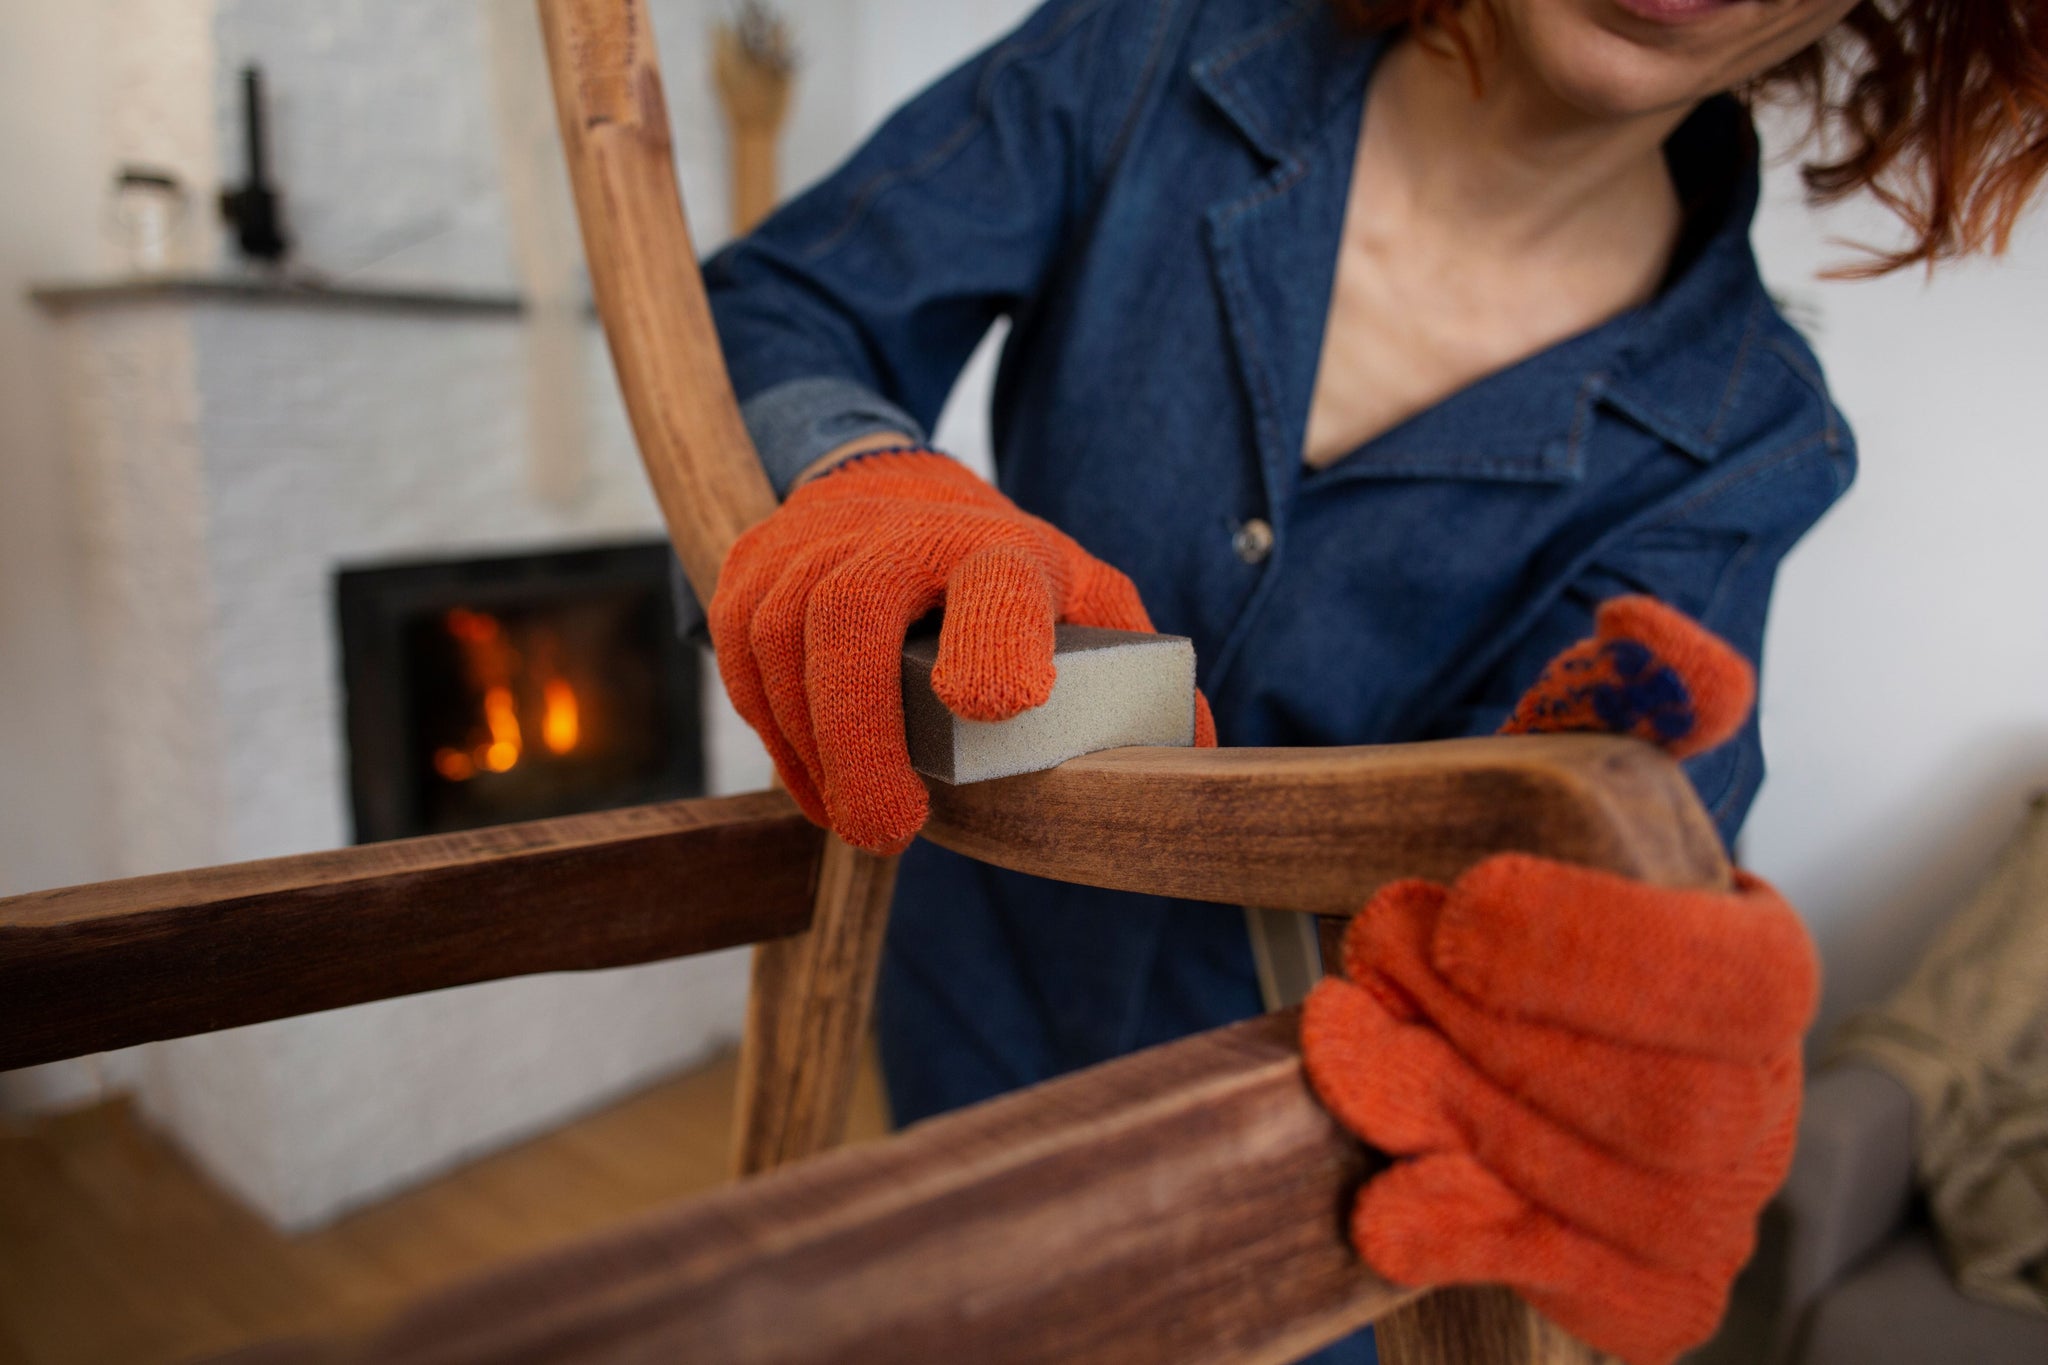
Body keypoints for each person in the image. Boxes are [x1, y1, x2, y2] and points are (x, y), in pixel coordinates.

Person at [700, 1, 2047, 1360]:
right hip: (965, 994)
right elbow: (785, 300)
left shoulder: (1753, 440)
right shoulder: (1153, 51)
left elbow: (1624, 812)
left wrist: (1627, 980)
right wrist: (860, 471)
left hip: (1323, 1160)